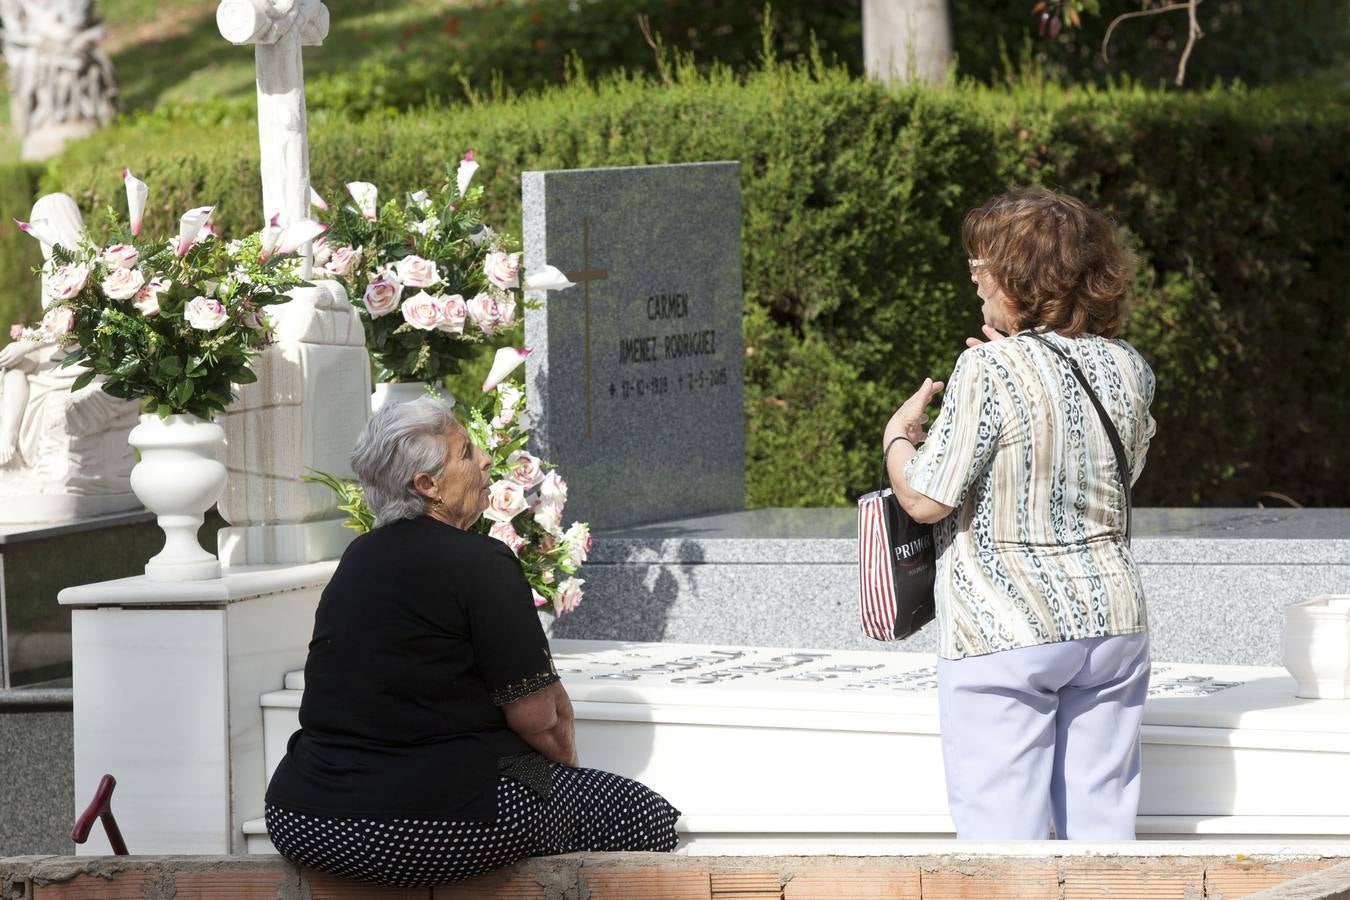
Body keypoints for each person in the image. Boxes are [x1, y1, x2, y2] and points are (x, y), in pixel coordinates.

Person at [264, 398, 680, 886]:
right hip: (428, 823)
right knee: (647, 816)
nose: (485, 460)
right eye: (465, 452)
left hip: (302, 815)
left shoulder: (358, 556)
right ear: (427, 486)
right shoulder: (481, 560)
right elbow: (539, 720)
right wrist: (564, 781)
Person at [882, 187, 1157, 840]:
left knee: (1007, 857)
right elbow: (1121, 477)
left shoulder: (986, 370)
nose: (975, 281)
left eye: (980, 267)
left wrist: (898, 439)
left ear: (1016, 277)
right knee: (1103, 846)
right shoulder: (1130, 368)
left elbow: (924, 498)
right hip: (1112, 623)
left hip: (1004, 628)